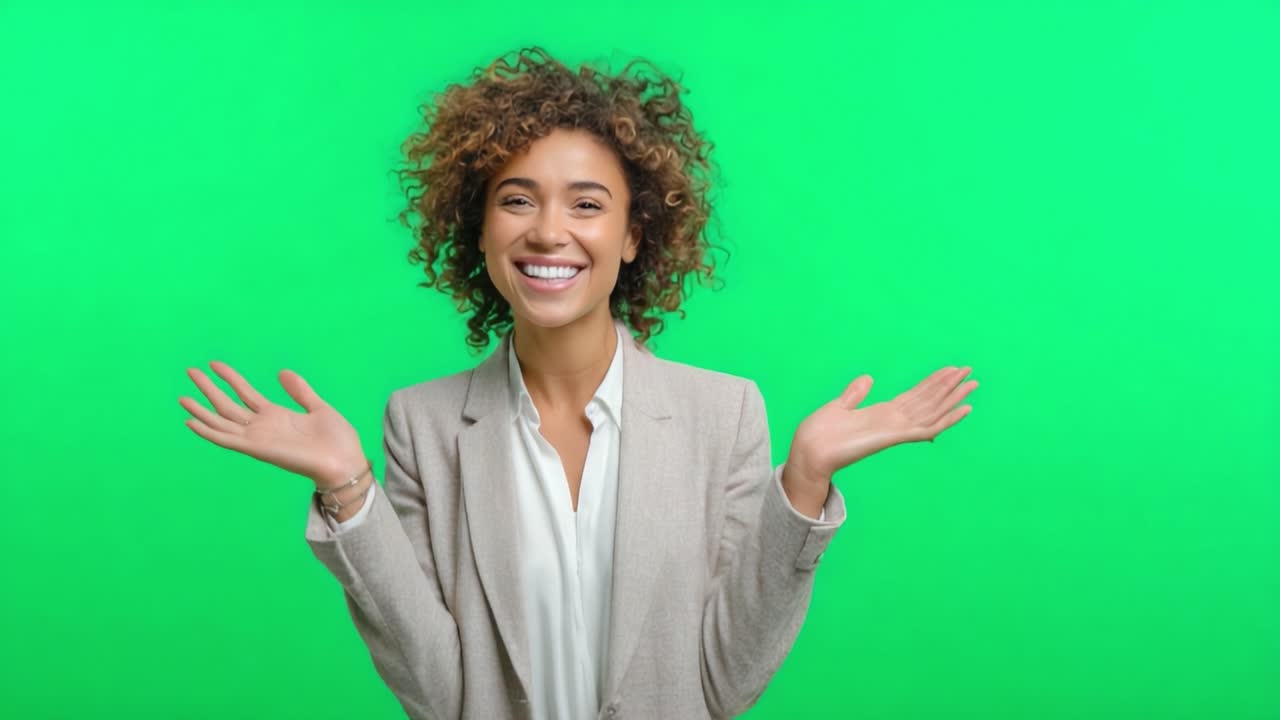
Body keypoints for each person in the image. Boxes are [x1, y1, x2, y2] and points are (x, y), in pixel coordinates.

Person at [179, 47, 977, 720]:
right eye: (516, 200)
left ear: (633, 235)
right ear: (481, 231)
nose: (549, 231)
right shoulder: (418, 422)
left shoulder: (723, 414)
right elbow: (438, 690)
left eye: (586, 204)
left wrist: (802, 485)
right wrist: (350, 490)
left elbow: (725, 685)